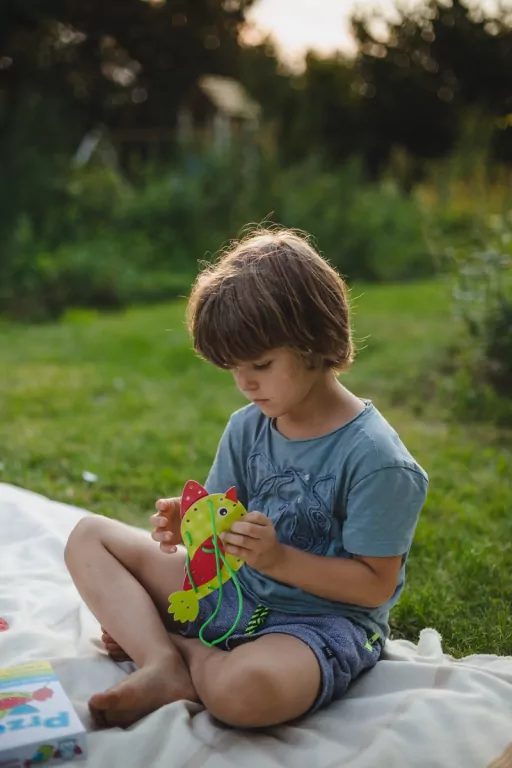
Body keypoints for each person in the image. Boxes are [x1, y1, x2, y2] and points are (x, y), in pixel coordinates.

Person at [64, 228, 428, 730]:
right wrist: (187, 523)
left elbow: (373, 587)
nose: (244, 382)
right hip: (232, 587)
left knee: (244, 696)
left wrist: (279, 559)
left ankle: (185, 652)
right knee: (89, 537)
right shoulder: (248, 426)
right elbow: (220, 516)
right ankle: (161, 664)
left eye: (260, 364)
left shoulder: (378, 460)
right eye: (233, 367)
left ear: (316, 343)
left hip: (318, 623)